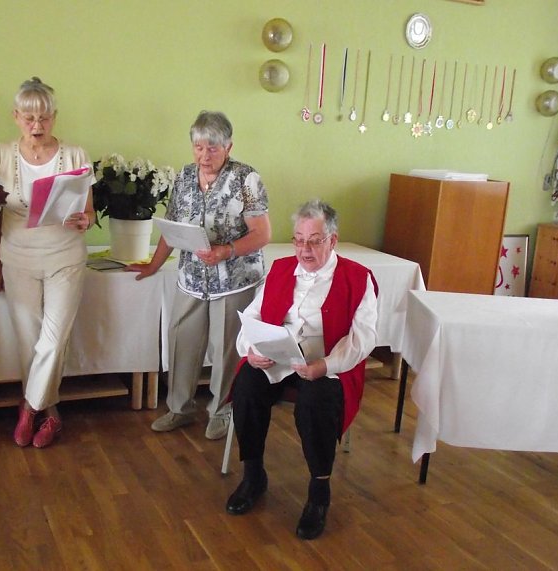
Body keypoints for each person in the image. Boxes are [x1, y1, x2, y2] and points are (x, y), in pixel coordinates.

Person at [224, 200, 377, 540]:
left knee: (315, 402)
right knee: (247, 384)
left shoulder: (357, 277)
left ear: (332, 240)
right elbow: (253, 315)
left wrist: (326, 365)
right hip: (279, 358)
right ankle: (253, 475)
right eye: (298, 240)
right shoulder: (280, 269)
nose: (304, 249)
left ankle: (319, 492)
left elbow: (363, 337)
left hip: (326, 364)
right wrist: (251, 350)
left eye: (314, 240)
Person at [127, 110, 271, 440]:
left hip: (234, 279)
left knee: (225, 348)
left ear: (229, 146)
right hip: (191, 277)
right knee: (182, 340)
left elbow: (261, 233)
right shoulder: (184, 177)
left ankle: (222, 411)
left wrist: (226, 250)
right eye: (198, 147)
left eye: (213, 148)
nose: (204, 155)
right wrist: (153, 264)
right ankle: (179, 408)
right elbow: (172, 226)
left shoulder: (246, 180)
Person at [0, 77, 94, 449]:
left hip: (65, 256)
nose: (37, 125)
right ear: (16, 116)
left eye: (44, 117)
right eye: (29, 117)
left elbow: (88, 213)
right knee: (29, 341)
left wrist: (85, 220)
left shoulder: (76, 154)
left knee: (53, 339)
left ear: (54, 117)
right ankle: (52, 412)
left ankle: (29, 408)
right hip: (16, 257)